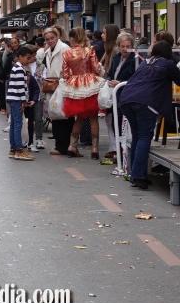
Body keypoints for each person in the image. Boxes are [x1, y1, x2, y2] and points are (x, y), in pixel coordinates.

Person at [118, 40, 180, 189]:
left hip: (127, 99)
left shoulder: (146, 62)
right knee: (144, 137)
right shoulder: (167, 64)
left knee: (137, 136)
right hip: (146, 103)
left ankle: (135, 174)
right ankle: (138, 176)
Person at [61, 27, 104, 159]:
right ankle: (95, 149)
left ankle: (72, 146)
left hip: (75, 87)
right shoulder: (89, 50)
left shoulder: (67, 53)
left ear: (72, 38)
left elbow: (65, 73)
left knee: (78, 118)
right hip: (90, 84)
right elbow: (96, 68)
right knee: (93, 118)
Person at [104, 32, 138, 160]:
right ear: (118, 46)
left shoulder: (135, 59)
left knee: (125, 125)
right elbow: (111, 73)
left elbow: (135, 77)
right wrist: (109, 80)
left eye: (127, 46)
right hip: (115, 95)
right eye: (122, 46)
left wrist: (120, 83)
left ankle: (125, 154)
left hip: (127, 95)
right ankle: (118, 152)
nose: (125, 49)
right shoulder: (117, 57)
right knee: (115, 124)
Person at [42, 26, 74, 156]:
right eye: (47, 39)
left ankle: (64, 145)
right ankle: (60, 144)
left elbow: (70, 66)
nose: (50, 41)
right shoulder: (48, 50)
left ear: (57, 37)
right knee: (55, 115)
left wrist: (63, 78)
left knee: (64, 115)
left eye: (52, 38)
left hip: (62, 84)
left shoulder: (65, 49)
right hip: (52, 84)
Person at [6, 45, 36, 161]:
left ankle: (13, 149)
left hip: (14, 99)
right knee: (17, 124)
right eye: (27, 58)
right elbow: (20, 88)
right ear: (20, 57)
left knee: (14, 124)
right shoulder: (19, 69)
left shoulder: (17, 67)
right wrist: (24, 101)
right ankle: (18, 149)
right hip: (17, 100)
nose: (29, 61)